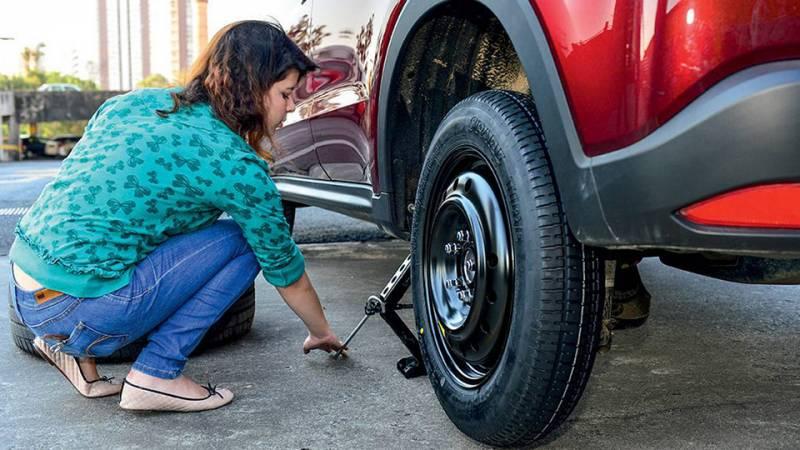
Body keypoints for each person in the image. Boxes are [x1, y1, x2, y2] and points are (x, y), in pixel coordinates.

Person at [8, 20, 344, 412]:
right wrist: (321, 332)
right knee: (247, 241)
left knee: (129, 229)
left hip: (24, 291)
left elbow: (97, 194)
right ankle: (157, 374)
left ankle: (77, 358)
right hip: (81, 307)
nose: (290, 109)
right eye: (286, 94)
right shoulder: (235, 165)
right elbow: (286, 270)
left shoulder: (131, 103)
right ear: (252, 89)